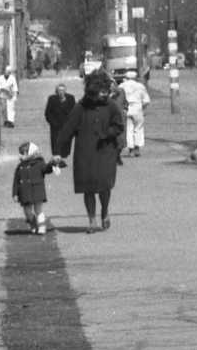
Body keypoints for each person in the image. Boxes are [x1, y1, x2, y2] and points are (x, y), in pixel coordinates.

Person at [55, 70, 125, 232]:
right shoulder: (80, 108)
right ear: (91, 91)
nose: (104, 95)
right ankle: (92, 220)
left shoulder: (112, 106)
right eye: (100, 92)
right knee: (88, 187)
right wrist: (58, 151)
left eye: (106, 91)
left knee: (104, 186)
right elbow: (67, 129)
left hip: (106, 151)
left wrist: (107, 133)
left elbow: (119, 126)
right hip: (85, 153)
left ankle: (105, 210)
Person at [12, 140, 49, 235]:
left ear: (31, 153)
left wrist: (53, 165)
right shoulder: (20, 167)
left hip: (37, 190)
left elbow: (47, 169)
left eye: (24, 153)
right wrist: (15, 193)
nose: (21, 155)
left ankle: (42, 227)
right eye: (21, 153)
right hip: (25, 192)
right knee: (27, 210)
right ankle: (32, 221)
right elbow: (16, 181)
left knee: (38, 209)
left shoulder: (39, 163)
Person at [117, 72, 152, 156]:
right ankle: (137, 148)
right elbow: (146, 100)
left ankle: (131, 150)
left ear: (126, 77)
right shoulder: (141, 86)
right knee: (138, 128)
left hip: (126, 107)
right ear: (135, 78)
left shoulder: (121, 86)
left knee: (129, 129)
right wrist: (143, 107)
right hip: (138, 107)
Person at [44, 83, 75, 160]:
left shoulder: (70, 98)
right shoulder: (52, 99)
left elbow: (74, 111)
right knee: (56, 140)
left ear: (65, 91)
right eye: (59, 90)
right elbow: (48, 112)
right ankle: (57, 154)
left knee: (66, 139)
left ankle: (64, 154)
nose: (61, 92)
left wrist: (71, 122)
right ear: (57, 91)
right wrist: (52, 122)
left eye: (63, 90)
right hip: (56, 124)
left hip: (66, 124)